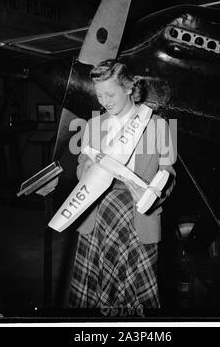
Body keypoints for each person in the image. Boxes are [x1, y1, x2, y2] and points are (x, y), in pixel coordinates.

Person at [69, 59, 176, 312]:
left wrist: (154, 194)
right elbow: (80, 167)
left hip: (139, 222)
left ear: (129, 88)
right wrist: (88, 169)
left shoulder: (159, 126)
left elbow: (169, 175)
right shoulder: (93, 125)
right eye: (99, 95)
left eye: (109, 93)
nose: (104, 101)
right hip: (97, 221)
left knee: (139, 305)